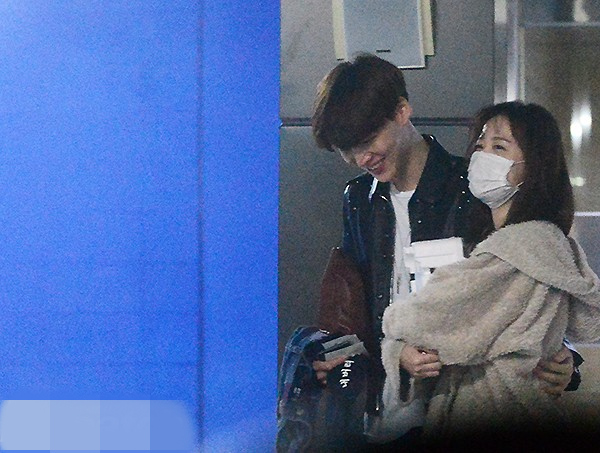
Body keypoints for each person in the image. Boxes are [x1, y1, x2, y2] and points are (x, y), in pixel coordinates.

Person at [310, 54, 581, 448]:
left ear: (402, 111)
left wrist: (566, 358)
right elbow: (359, 300)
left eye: (367, 140)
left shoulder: (475, 188)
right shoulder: (358, 198)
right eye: (346, 149)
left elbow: (525, 288)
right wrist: (357, 355)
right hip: (384, 412)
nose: (360, 158)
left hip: (457, 405)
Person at [381, 100, 600, 448]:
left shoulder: (513, 251)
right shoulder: (545, 243)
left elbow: (424, 321)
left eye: (499, 147)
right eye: (480, 145)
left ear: (534, 168)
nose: (482, 156)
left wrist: (394, 341)